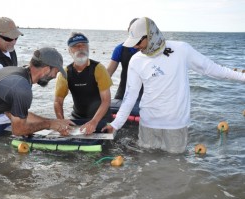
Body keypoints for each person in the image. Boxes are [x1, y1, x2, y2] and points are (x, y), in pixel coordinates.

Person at [103, 17, 245, 154]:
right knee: (146, 170)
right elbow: (130, 96)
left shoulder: (181, 49)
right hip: (148, 125)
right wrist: (115, 125)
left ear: (151, 34)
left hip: (175, 126)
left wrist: (242, 77)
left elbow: (212, 69)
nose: (135, 46)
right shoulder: (136, 60)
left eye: (138, 41)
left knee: (176, 171)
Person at [54, 32, 113, 135]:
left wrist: (94, 122)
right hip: (77, 118)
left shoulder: (99, 69)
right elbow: (58, 102)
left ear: (88, 48)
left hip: (101, 118)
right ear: (69, 51)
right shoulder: (65, 73)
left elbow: (106, 100)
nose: (80, 48)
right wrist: (61, 122)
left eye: (83, 45)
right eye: (76, 46)